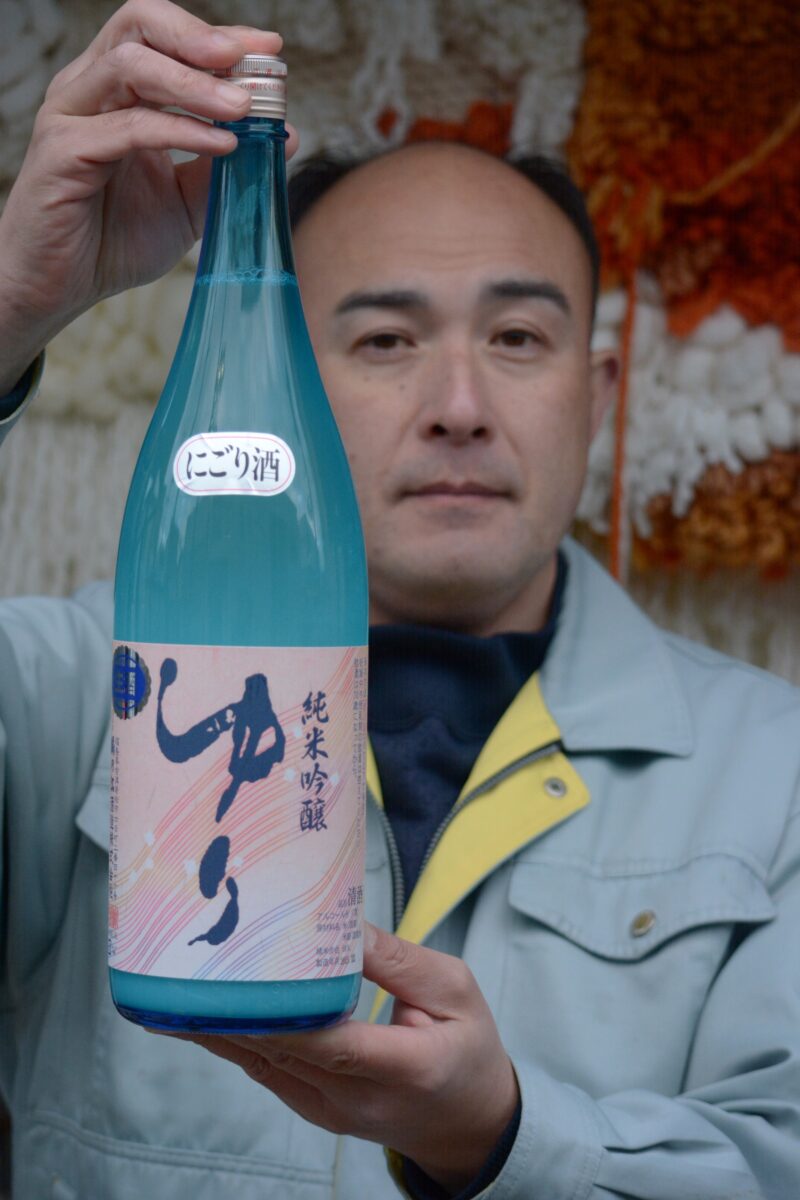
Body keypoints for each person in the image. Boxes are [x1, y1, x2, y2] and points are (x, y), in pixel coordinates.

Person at [1, 3, 799, 1198]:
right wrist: (8, 310)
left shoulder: (771, 774)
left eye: (517, 338)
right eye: (383, 341)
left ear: (597, 396)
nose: (459, 408)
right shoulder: (76, 693)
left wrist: (502, 1139)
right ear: (268, 374)